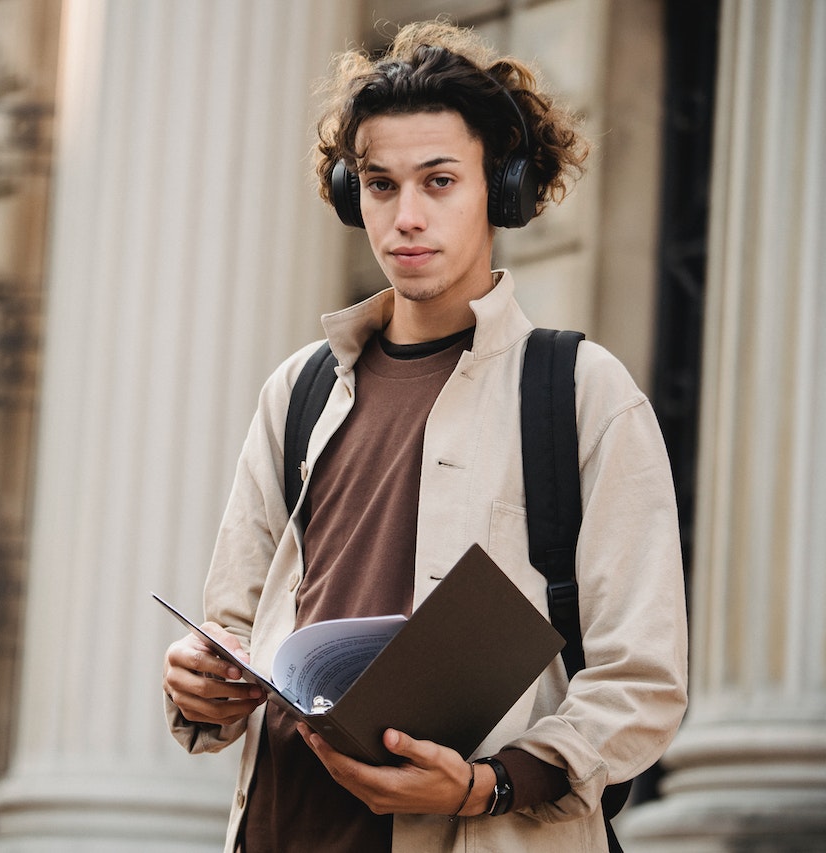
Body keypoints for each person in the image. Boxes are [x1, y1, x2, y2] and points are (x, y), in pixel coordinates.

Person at [160, 19, 688, 853]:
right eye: (380, 184)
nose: (406, 216)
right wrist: (199, 680)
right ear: (351, 193)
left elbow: (642, 681)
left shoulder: (584, 393)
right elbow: (229, 628)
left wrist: (485, 785)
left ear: (503, 189)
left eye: (439, 181)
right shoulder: (294, 392)